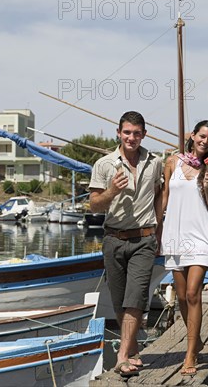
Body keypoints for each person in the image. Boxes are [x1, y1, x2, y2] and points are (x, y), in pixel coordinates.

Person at [89, 111, 163, 377]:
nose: (131, 137)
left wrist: (159, 232)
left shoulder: (155, 162)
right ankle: (132, 350)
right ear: (118, 133)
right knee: (119, 301)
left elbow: (158, 195)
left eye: (137, 133)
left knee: (136, 298)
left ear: (144, 134)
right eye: (127, 132)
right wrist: (112, 191)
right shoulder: (104, 164)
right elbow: (95, 204)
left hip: (144, 238)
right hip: (113, 239)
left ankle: (121, 356)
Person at [161, 120, 208, 377]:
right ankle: (195, 339)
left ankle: (191, 355)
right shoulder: (172, 162)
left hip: (199, 235)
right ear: (192, 136)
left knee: (192, 293)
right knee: (181, 297)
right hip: (174, 235)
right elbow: (165, 195)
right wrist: (157, 228)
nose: (205, 141)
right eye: (202, 136)